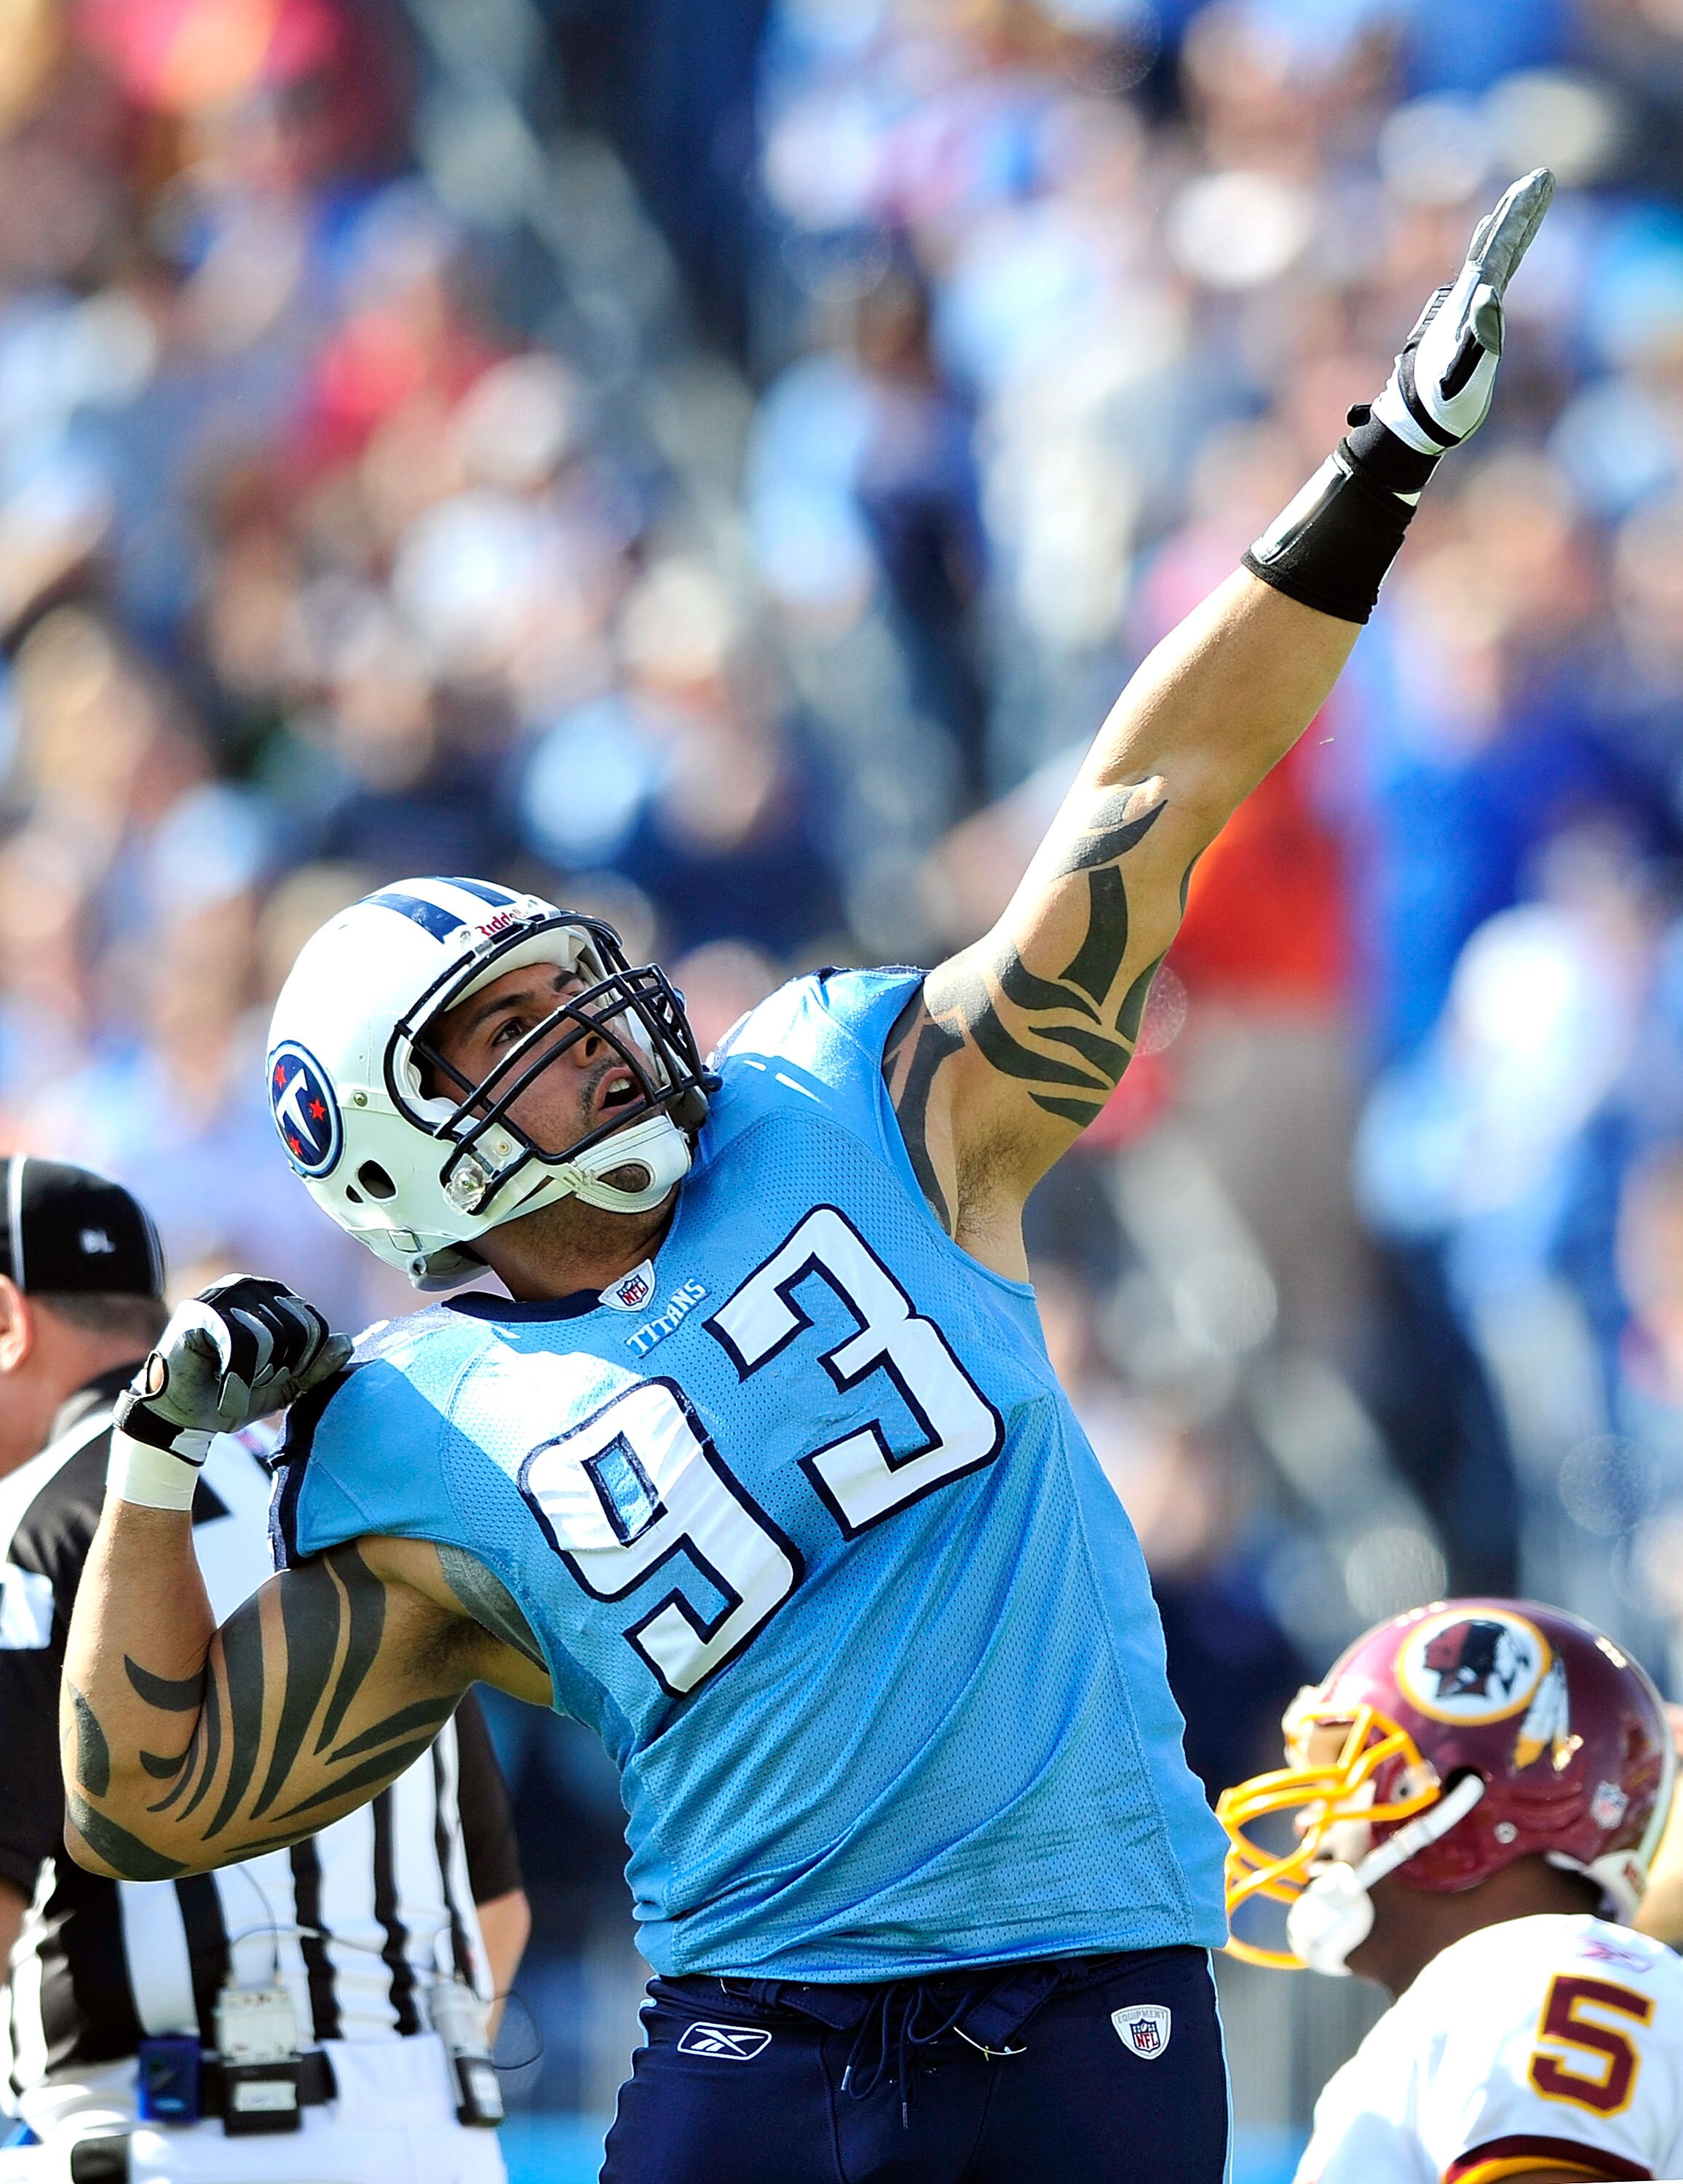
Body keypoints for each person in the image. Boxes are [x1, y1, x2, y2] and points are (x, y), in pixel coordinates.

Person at [61, 173, 1556, 2184]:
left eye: (564, 980)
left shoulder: (846, 1095)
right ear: (405, 1149)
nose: (585, 1025)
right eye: (507, 1027)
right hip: (752, 2034)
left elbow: (1153, 797)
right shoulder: (417, 1428)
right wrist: (160, 1464)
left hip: (1083, 1987)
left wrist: (1374, 473)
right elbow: (151, 1798)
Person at [0, 1157, 528, 2184]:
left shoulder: (30, 1525)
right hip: (445, 2139)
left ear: (8, 1322)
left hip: (166, 2135)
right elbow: (497, 1910)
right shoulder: (333, 1498)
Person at [1217, 1597, 1682, 2184]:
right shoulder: (1482, 1994)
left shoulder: (1536, 1976)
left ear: (1462, 1790)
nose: (1308, 1822)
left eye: (1346, 1777)